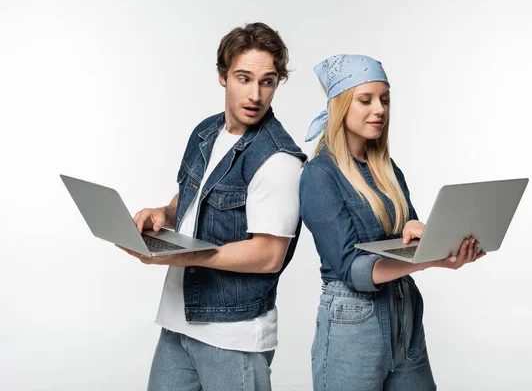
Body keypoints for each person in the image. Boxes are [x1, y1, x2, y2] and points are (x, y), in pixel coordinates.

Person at [119, 23, 306, 391]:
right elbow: (193, 196)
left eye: (267, 81)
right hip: (179, 321)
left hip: (233, 335)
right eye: (244, 78)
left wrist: (183, 255)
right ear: (223, 76)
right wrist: (164, 214)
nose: (256, 94)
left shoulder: (278, 160)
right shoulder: (206, 132)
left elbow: (269, 255)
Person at [299, 54, 486, 391]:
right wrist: (429, 260)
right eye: (366, 100)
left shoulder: (388, 170)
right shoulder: (319, 176)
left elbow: (406, 238)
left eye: (384, 99)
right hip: (353, 324)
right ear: (341, 106)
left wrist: (431, 240)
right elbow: (355, 271)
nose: (380, 109)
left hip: (405, 316)